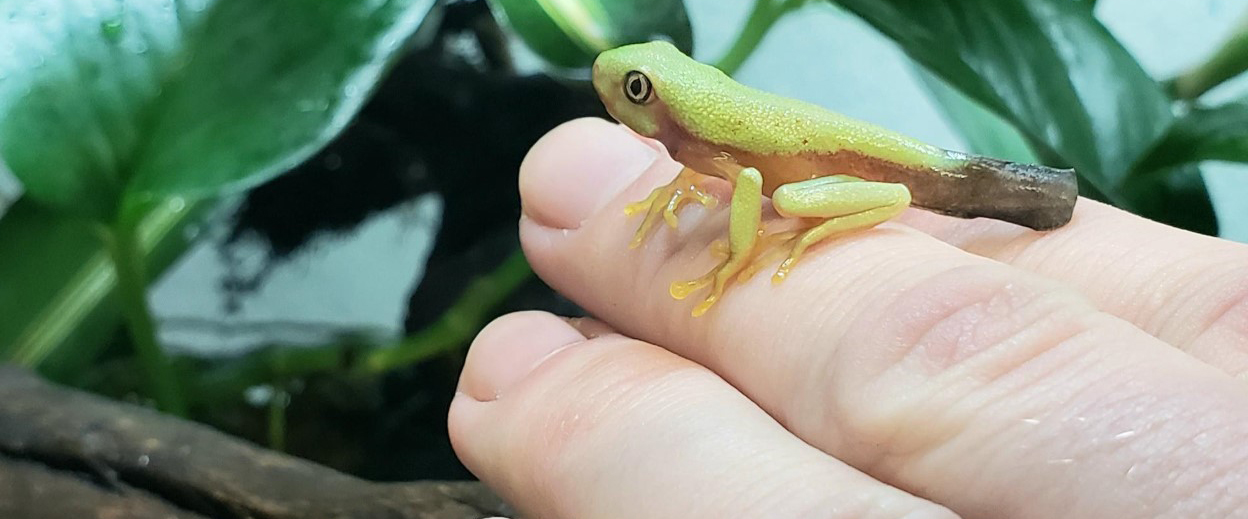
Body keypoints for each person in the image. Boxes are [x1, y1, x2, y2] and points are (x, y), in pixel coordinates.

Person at [449, 118, 1248, 518]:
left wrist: (734, 259)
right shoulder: (691, 148)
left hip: (866, 181)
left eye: (636, 96)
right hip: (874, 169)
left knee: (788, 199)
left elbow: (752, 190)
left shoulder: (700, 139)